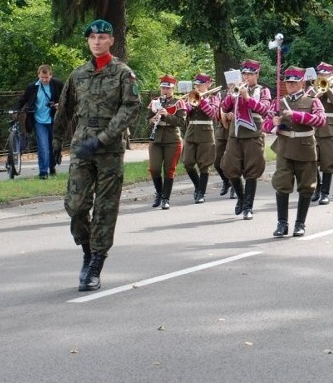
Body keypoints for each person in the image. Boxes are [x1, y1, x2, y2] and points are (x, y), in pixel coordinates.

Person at [52, 19, 140, 292]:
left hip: (109, 151)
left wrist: (104, 137)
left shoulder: (124, 74)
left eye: (103, 37)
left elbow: (130, 108)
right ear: (88, 41)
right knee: (76, 206)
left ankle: (96, 265)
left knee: (104, 209)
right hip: (82, 148)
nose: (97, 41)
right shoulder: (78, 75)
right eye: (93, 37)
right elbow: (64, 109)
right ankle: (87, 250)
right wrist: (56, 139)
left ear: (112, 41)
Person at [265, 66, 326, 237]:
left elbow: (321, 120)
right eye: (288, 82)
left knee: (306, 186)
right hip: (284, 147)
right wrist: (274, 123)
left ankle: (300, 224)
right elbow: (265, 124)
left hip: (305, 147)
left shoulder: (313, 101)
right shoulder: (279, 101)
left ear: (302, 82)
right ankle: (282, 223)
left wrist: (297, 115)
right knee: (282, 185)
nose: (290, 85)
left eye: (294, 82)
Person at [220, 59, 272, 220]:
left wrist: (247, 97)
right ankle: (241, 197)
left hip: (253, 135)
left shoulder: (263, 91)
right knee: (229, 167)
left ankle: (248, 206)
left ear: (257, 74)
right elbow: (224, 107)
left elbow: (265, 110)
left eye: (250, 74)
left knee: (251, 170)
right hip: (235, 134)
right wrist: (231, 93)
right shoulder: (235, 89)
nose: (246, 76)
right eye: (244, 73)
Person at [147, 75, 187, 210]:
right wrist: (152, 120)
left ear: (173, 88)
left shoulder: (178, 102)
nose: (165, 90)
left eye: (168, 88)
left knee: (169, 170)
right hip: (156, 139)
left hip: (172, 139)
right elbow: (147, 120)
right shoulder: (154, 102)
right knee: (154, 168)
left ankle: (165, 198)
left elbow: (181, 122)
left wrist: (167, 115)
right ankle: (159, 193)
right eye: (163, 87)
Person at [17, 64, 64, 179]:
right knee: (43, 147)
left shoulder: (58, 84)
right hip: (39, 121)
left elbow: (67, 98)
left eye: (46, 77)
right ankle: (43, 173)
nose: (44, 80)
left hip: (54, 120)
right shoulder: (32, 87)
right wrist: (16, 110)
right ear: (38, 75)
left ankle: (52, 167)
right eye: (42, 77)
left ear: (51, 75)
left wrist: (60, 105)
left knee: (52, 146)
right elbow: (23, 100)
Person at [308, 62, 333, 205]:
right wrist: (316, 93)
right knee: (312, 160)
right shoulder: (312, 88)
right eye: (320, 74)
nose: (322, 76)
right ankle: (317, 188)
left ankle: (325, 193)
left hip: (329, 129)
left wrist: (328, 90)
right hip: (315, 127)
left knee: (328, 161)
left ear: (330, 75)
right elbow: (306, 101)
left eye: (325, 74)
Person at [182, 73, 219, 204]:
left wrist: (201, 100)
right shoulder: (191, 96)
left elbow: (213, 114)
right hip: (191, 132)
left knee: (204, 165)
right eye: (196, 84)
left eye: (201, 84)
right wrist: (187, 103)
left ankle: (201, 193)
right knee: (187, 162)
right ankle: (198, 186)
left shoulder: (213, 97)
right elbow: (185, 113)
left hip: (206, 133)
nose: (198, 87)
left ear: (208, 84)